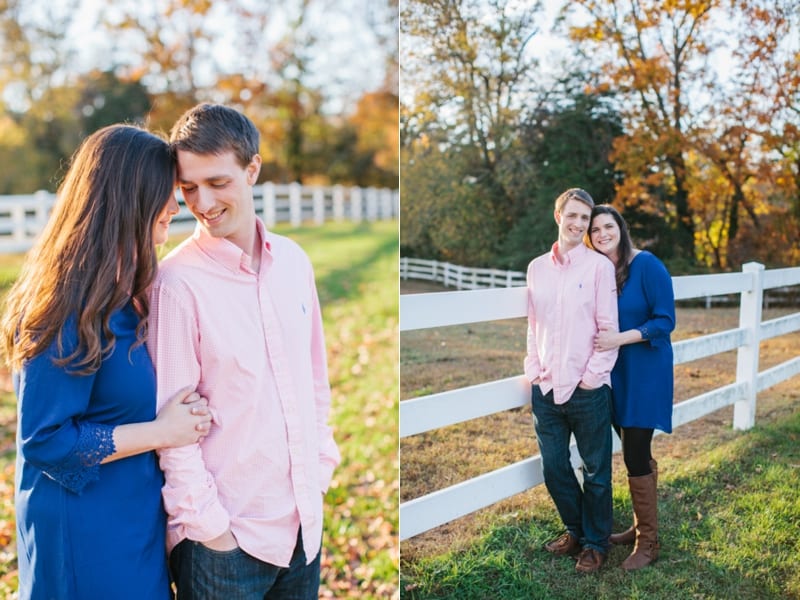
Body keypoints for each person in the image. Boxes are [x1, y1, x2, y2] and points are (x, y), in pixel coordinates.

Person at [1, 124, 213, 599]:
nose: (177, 208)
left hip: (134, 518)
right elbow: (45, 440)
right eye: (166, 195)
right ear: (126, 199)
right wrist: (163, 432)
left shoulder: (125, 292)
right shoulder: (63, 305)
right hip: (84, 533)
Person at [147, 103, 341, 599]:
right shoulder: (176, 283)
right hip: (224, 543)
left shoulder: (295, 262)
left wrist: (319, 472)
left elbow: (314, 379)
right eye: (188, 188)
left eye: (217, 182)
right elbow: (171, 425)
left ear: (252, 168)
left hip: (303, 526)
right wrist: (214, 532)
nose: (202, 201)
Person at [525, 188, 620, 573]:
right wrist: (534, 371)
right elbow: (534, 326)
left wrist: (592, 379)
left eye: (585, 218)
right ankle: (577, 531)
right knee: (554, 468)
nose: (578, 224)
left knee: (597, 470)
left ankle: (596, 544)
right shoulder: (536, 268)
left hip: (587, 389)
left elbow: (608, 328)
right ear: (558, 215)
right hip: (546, 389)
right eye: (573, 216)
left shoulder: (599, 268)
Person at [587, 204, 675, 571]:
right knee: (632, 449)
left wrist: (620, 338)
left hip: (646, 371)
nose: (602, 234)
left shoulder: (647, 264)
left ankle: (649, 542)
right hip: (615, 373)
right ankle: (640, 526)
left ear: (621, 228)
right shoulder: (602, 271)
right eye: (595, 230)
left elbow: (665, 319)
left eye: (608, 226)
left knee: (636, 449)